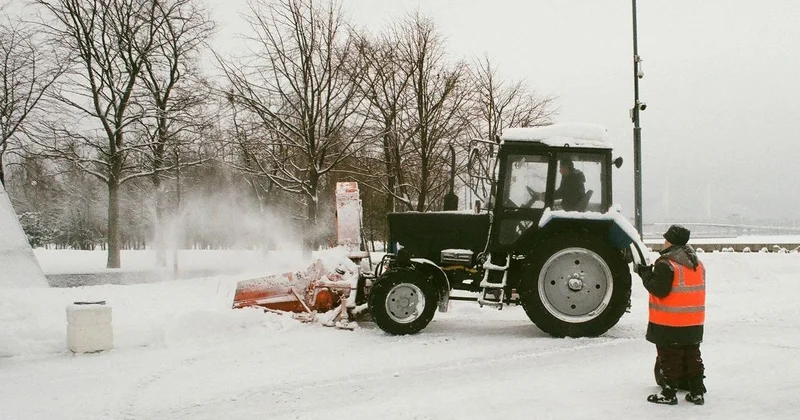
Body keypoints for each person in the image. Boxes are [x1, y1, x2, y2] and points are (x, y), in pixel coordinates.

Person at [636, 225, 707, 405]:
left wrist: (645, 275)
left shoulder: (667, 264)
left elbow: (659, 290)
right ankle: (697, 391)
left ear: (671, 241)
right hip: (693, 321)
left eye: (666, 239)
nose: (664, 241)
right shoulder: (697, 264)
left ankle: (668, 393)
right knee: (692, 355)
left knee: (670, 357)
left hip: (670, 322)